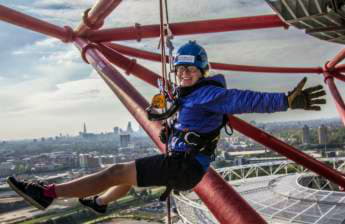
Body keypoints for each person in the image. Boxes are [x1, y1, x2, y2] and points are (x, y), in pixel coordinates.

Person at [7, 41, 326, 214]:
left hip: (184, 167)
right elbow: (186, 122)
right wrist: (169, 131)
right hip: (184, 162)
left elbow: (243, 99)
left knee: (116, 172)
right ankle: (100, 203)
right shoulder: (186, 95)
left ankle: (48, 193)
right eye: (180, 69)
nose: (184, 73)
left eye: (190, 69)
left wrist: (286, 100)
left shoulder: (209, 94)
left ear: (203, 71)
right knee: (131, 176)